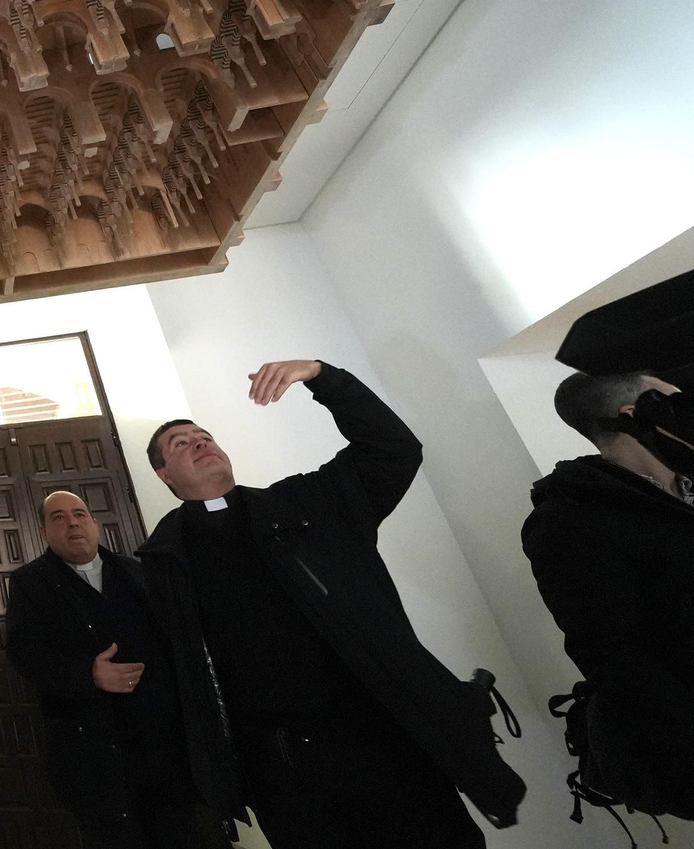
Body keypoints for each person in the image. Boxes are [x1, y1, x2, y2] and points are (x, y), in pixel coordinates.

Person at [135, 360, 524, 849]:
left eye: (205, 435)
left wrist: (323, 377)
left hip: (384, 739)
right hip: (284, 769)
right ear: (164, 474)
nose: (200, 442)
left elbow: (393, 450)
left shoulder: (308, 505)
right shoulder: (164, 562)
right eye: (181, 443)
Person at [522, 371, 694, 818]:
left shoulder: (688, 483)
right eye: (676, 400)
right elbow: (613, 656)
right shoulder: (570, 520)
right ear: (637, 415)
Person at [6, 491, 201, 849]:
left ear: (95, 524)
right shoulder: (29, 584)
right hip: (92, 749)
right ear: (43, 531)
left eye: (79, 514)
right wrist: (88, 674)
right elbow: (24, 654)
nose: (72, 523)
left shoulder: (138, 572)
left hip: (162, 744)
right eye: (59, 517)